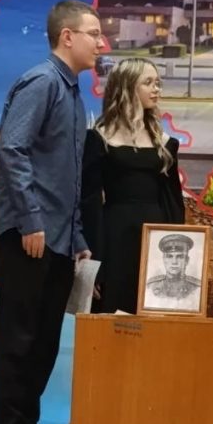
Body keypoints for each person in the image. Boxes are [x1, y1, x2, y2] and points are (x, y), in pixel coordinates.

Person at [0, 0, 101, 424]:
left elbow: (65, 176)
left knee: (43, 342)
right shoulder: (42, 82)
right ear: (67, 37)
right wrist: (31, 221)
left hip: (56, 238)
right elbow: (12, 149)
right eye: (94, 33)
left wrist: (76, 236)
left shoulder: (72, 93)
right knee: (18, 339)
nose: (101, 43)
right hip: (26, 234)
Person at [81, 57, 185, 315]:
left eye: (158, 83)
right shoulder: (99, 139)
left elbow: (174, 205)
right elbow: (89, 204)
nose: (156, 89)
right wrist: (94, 267)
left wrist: (178, 256)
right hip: (114, 238)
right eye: (148, 83)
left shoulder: (166, 143)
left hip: (156, 241)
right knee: (110, 315)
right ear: (127, 87)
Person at [144, 233, 202, 311]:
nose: (174, 262)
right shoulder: (151, 286)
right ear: (164, 260)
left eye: (180, 257)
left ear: (187, 260)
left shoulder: (196, 288)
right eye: (169, 256)